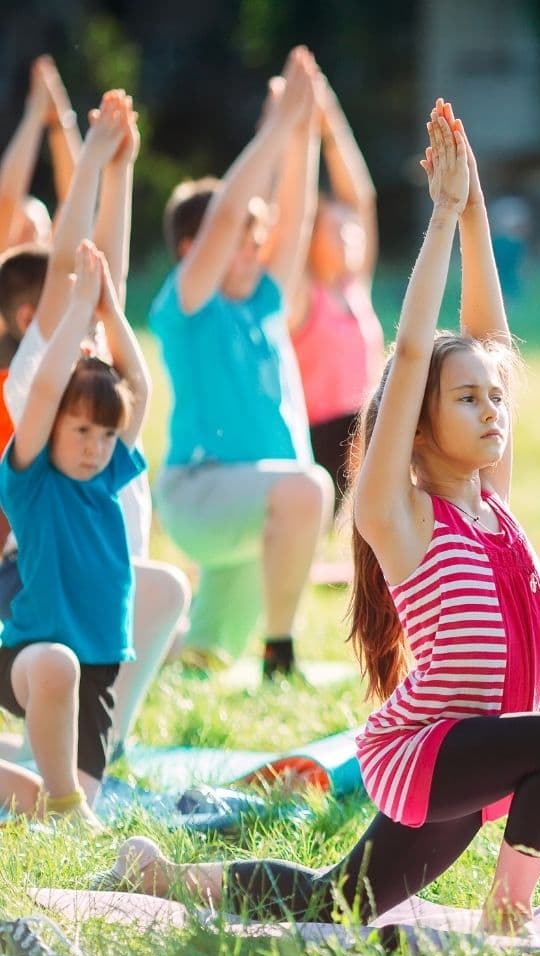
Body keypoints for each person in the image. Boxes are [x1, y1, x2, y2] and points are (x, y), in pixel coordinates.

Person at [98, 103, 540, 933]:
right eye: (467, 399)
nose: (491, 412)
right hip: (430, 755)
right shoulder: (400, 513)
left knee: (339, 902)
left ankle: (171, 876)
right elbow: (412, 352)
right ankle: (509, 911)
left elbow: (490, 334)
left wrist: (474, 208)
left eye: (495, 399)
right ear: (418, 423)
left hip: (468, 754)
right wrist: (440, 218)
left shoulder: (492, 503)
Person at [0, 90, 188, 760]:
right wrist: (91, 163)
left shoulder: (100, 377)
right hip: (49, 578)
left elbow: (110, 265)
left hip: (106, 570)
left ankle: (101, 743)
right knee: (62, 654)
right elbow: (70, 266)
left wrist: (122, 168)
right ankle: (44, 747)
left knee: (165, 588)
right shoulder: (40, 377)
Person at [150, 49, 332, 679]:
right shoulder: (188, 304)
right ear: (189, 250)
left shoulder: (259, 302)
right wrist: (275, 127)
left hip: (253, 507)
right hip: (202, 493)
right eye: (239, 247)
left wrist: (302, 131)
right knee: (310, 485)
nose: (253, 254)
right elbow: (229, 212)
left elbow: (298, 217)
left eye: (257, 246)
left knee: (200, 659)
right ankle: (280, 655)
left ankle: (134, 654)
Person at [0, 238, 149, 831]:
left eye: (104, 434)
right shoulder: (31, 481)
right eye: (81, 430)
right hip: (28, 658)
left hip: (102, 664)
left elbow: (138, 380)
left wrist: (110, 309)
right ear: (56, 425)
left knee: (68, 804)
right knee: (56, 664)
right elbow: (41, 392)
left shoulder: (109, 475)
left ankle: (55, 797)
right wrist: (76, 309)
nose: (94, 447)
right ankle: (61, 797)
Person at [288, 77, 383, 513]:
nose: (348, 233)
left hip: (363, 429)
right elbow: (293, 213)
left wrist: (330, 121)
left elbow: (361, 197)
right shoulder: (303, 294)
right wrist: (300, 132)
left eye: (349, 227)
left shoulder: (354, 285)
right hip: (317, 441)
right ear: (310, 238)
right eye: (333, 227)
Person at [0, 56, 80, 251]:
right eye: (22, 230)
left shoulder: (56, 272)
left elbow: (76, 199)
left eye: (37, 231)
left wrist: (61, 122)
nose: (31, 234)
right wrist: (35, 113)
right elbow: (7, 201)